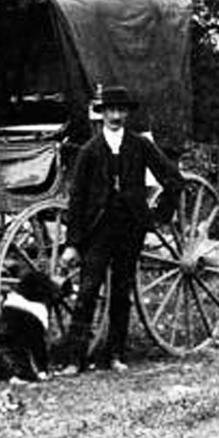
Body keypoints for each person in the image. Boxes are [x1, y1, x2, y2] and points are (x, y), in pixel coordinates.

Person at [59, 84, 182, 372]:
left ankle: (114, 354)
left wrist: (159, 214)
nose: (116, 116)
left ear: (127, 113)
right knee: (88, 290)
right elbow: (77, 199)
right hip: (97, 231)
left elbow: (173, 178)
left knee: (121, 292)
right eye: (111, 110)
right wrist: (72, 243)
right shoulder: (89, 150)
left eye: (121, 111)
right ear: (102, 114)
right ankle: (74, 359)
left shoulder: (140, 145)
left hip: (130, 229)